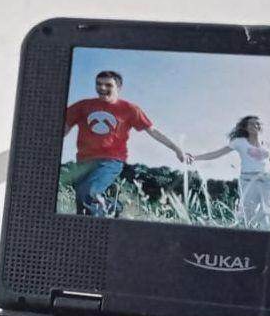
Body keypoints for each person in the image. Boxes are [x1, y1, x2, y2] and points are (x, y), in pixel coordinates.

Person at [63, 70, 188, 217]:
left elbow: (153, 131)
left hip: (110, 161)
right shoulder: (82, 106)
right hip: (84, 160)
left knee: (88, 192)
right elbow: (63, 128)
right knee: (82, 200)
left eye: (108, 85)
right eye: (99, 84)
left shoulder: (129, 109)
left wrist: (177, 148)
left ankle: (110, 211)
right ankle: (113, 207)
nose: (102, 88)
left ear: (118, 88)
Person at [190, 115, 270, 229]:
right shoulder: (239, 142)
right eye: (252, 124)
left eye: (258, 123)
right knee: (248, 213)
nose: (255, 126)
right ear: (246, 127)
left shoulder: (267, 145)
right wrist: (195, 157)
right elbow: (217, 153)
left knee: (268, 210)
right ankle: (248, 233)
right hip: (248, 180)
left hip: (268, 181)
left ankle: (266, 234)